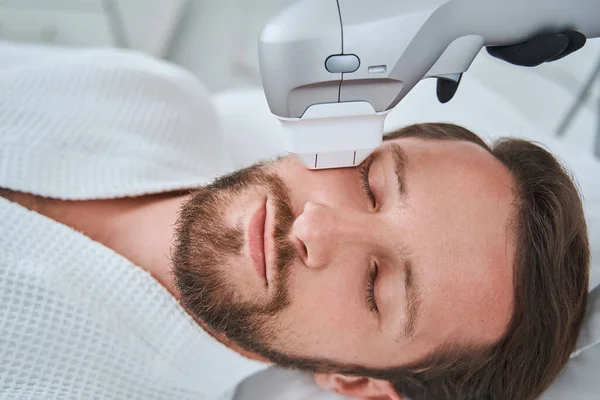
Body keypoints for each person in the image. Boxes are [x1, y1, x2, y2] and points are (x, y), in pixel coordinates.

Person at [0, 35, 590, 400]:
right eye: (371, 184)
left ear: (356, 383)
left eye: (374, 286)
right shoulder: (155, 98)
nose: (315, 228)